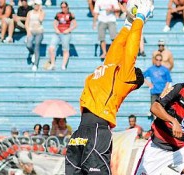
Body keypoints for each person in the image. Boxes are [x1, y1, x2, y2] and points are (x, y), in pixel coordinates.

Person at [65, 0, 154, 173]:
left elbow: (131, 49)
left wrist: (140, 19)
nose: (126, 64)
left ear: (133, 80)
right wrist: (128, 24)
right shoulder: (111, 69)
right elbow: (117, 47)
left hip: (95, 129)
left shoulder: (124, 78)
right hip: (85, 130)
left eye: (130, 67)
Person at [46, 1, 77, 70]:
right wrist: (56, 29)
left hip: (66, 33)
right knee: (51, 48)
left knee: (65, 49)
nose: (63, 9)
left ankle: (63, 65)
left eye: (64, 7)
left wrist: (68, 30)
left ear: (67, 7)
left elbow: (75, 24)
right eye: (62, 7)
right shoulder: (58, 14)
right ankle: (53, 64)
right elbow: (54, 23)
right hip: (58, 33)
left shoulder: (70, 14)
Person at [144, 53, 172, 120]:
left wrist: (165, 90)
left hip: (162, 93)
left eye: (160, 60)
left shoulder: (165, 70)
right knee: (154, 109)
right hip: (154, 92)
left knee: (163, 109)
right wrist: (148, 84)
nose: (158, 61)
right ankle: (155, 124)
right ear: (154, 60)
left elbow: (168, 81)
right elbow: (142, 76)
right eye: (157, 59)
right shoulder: (151, 69)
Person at [25, 0, 45, 71]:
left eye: (37, 4)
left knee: (37, 45)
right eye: (35, 4)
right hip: (31, 31)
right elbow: (26, 23)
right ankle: (32, 52)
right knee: (28, 45)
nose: (36, 6)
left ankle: (35, 64)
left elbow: (41, 19)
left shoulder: (42, 12)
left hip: (39, 32)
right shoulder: (30, 13)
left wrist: (39, 11)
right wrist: (28, 31)